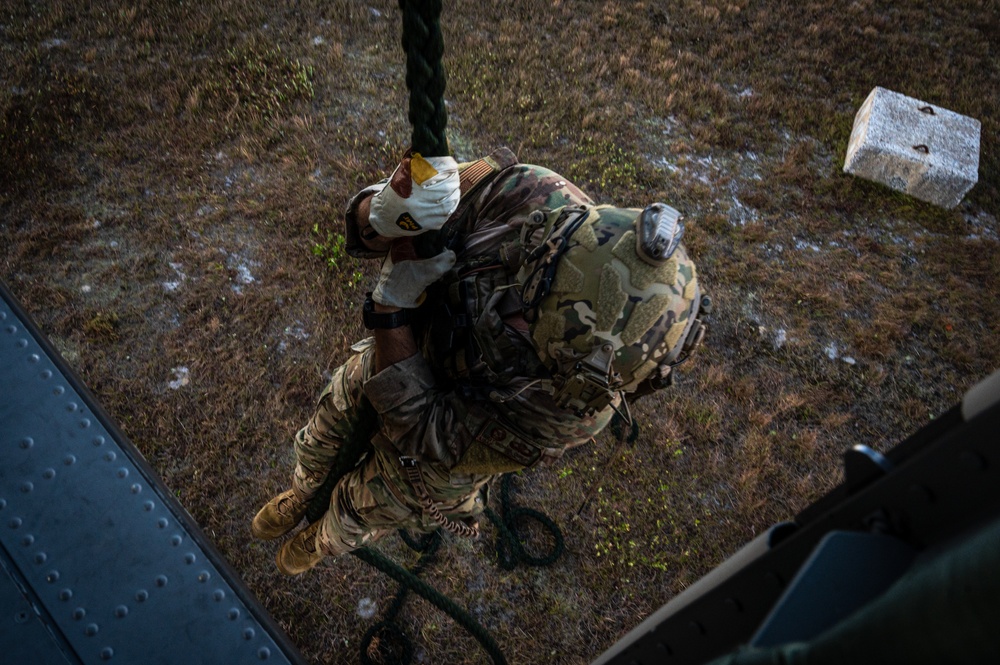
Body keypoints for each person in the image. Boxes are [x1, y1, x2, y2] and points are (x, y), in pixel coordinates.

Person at [251, 147, 710, 575]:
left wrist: (391, 310)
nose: (518, 323)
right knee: (325, 432)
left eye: (531, 324)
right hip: (387, 367)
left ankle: (325, 538)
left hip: (438, 455)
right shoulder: (528, 194)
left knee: (372, 503)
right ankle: (304, 490)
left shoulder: (572, 411)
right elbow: (381, 225)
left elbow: (425, 431)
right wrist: (384, 212)